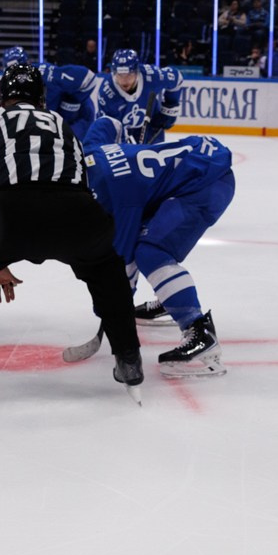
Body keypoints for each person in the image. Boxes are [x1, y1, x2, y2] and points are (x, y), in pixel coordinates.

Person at [0, 62, 142, 404]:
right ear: (41, 98)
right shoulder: (62, 123)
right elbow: (83, 184)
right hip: (75, 211)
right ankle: (129, 359)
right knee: (105, 266)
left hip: (8, 213)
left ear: (2, 97)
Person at [80, 118, 236, 375]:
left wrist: (112, 309)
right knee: (148, 242)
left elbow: (123, 263)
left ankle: (200, 333)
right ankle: (170, 297)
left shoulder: (117, 200)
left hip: (208, 181)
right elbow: (107, 123)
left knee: (150, 252)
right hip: (199, 160)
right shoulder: (90, 150)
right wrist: (129, 147)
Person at [88, 48, 183, 144]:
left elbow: (177, 78)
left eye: (129, 75)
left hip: (151, 126)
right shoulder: (107, 94)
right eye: (120, 75)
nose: (124, 81)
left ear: (137, 71)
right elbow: (107, 129)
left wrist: (170, 108)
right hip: (120, 131)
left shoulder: (152, 76)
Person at [2, 45, 96, 136]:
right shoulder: (33, 74)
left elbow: (89, 78)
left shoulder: (45, 79)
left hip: (79, 118)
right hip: (70, 117)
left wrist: (75, 100)